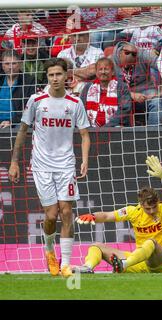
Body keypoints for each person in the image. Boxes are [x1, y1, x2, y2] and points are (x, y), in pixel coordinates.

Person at [8, 58, 91, 278]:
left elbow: (84, 134)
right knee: (51, 215)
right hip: (42, 166)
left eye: (58, 74)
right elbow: (23, 130)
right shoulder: (37, 100)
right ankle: (48, 251)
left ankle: (66, 264)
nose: (55, 79)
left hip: (66, 166)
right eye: (51, 75)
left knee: (67, 211)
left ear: (66, 76)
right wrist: (14, 161)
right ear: (48, 77)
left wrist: (84, 160)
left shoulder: (75, 103)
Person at [73, 155, 162, 274]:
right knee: (96, 246)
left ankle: (124, 264)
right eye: (148, 208)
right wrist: (93, 216)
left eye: (155, 207)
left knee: (151, 242)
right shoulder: (133, 212)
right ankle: (87, 267)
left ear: (158, 202)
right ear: (141, 205)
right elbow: (107, 216)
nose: (152, 211)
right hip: (138, 262)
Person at [79, 57, 124, 127]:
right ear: (96, 73)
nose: (103, 72)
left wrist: (107, 127)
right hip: (91, 130)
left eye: (106, 69)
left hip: (115, 129)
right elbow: (81, 109)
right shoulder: (88, 87)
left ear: (112, 72)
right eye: (100, 69)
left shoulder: (121, 87)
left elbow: (124, 110)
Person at [0, 50, 36, 128]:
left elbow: (29, 108)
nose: (10, 67)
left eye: (14, 63)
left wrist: (11, 122)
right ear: (2, 66)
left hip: (18, 123)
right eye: (7, 64)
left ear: (20, 64)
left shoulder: (29, 81)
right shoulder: (1, 80)